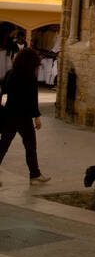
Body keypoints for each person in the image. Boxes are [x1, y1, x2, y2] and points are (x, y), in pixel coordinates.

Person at [0, 47, 51, 184]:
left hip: (9, 113)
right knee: (30, 145)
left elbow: (3, 91)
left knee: (3, 145)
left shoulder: (11, 73)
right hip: (23, 117)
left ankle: (35, 174)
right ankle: (34, 175)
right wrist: (37, 117)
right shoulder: (29, 77)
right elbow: (32, 99)